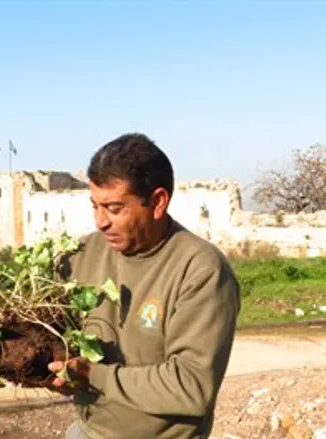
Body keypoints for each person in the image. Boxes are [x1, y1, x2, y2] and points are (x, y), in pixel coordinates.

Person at [47, 133, 241, 439]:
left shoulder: (200, 270)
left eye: (114, 208)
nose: (100, 222)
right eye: (95, 206)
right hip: (87, 432)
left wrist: (93, 376)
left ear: (157, 202)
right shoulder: (81, 256)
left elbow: (191, 386)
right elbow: (45, 328)